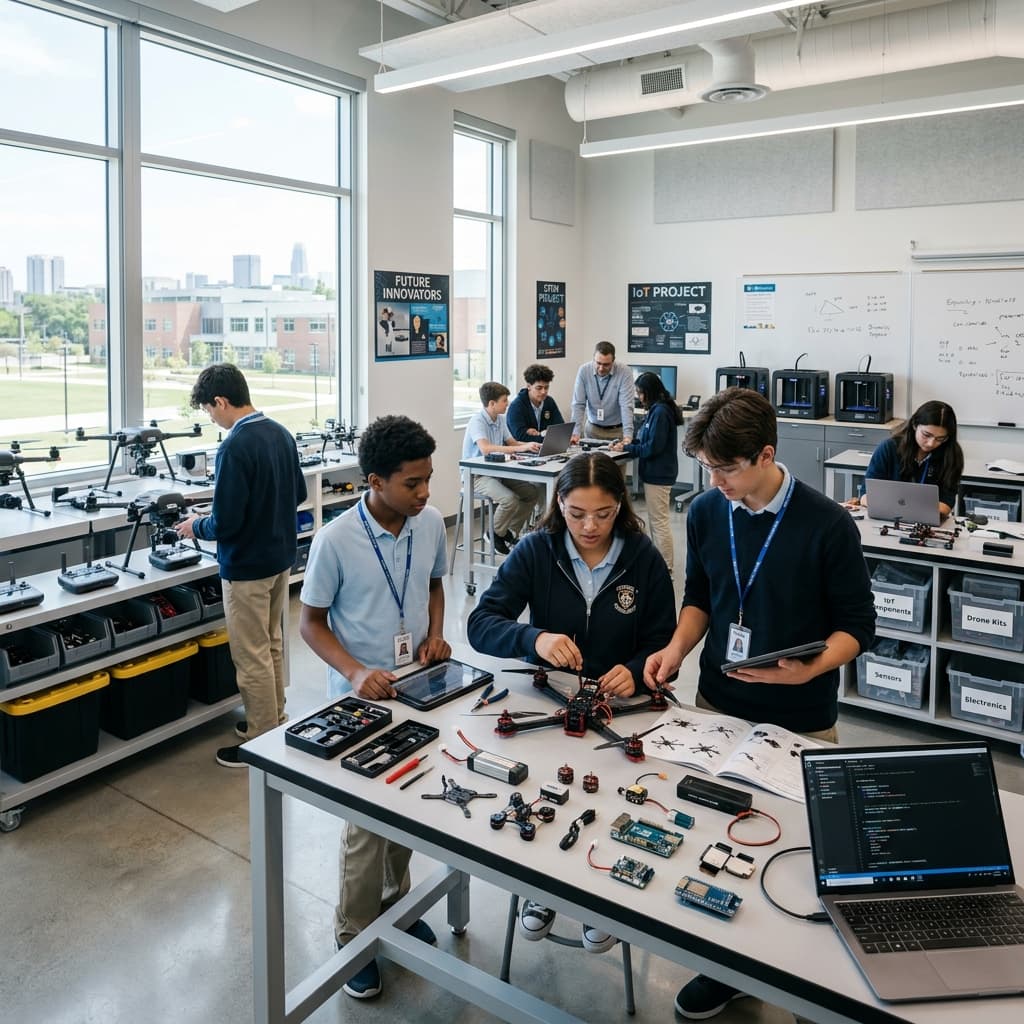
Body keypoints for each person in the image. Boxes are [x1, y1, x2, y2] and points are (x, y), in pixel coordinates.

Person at [643, 388, 875, 1021]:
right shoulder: (708, 513)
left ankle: (801, 979)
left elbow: (859, 625)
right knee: (716, 839)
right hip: (717, 703)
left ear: (766, 454)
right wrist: (676, 649)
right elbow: (701, 598)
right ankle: (727, 966)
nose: (714, 483)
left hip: (802, 717)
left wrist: (813, 669)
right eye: (707, 470)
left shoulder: (827, 523)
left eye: (725, 469)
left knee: (798, 852)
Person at [467, 451, 676, 951]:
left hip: (620, 708)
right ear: (558, 503)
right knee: (547, 796)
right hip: (552, 704)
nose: (588, 526)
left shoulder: (642, 557)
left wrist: (637, 670)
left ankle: (603, 895)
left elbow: (664, 640)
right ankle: (544, 888)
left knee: (614, 800)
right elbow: (481, 624)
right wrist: (533, 639)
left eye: (602, 515)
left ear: (620, 506)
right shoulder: (536, 551)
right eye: (576, 513)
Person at [298, 414, 450, 1000]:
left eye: (428, 479)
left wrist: (436, 633)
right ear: (375, 481)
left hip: (421, 685)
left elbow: (436, 583)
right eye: (412, 482)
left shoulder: (429, 522)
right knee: (366, 825)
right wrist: (357, 671)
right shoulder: (336, 540)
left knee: (406, 804)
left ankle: (397, 908)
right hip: (361, 700)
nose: (425, 492)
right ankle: (354, 936)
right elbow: (310, 624)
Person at [174, 363, 307, 767]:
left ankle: (262, 742)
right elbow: (298, 492)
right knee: (272, 644)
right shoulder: (280, 432)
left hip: (246, 566)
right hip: (280, 557)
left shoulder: (234, 445)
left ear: (220, 401)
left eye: (209, 410)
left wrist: (194, 525)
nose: (211, 418)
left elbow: (225, 523)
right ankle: (275, 718)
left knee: (250, 656)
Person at [611, 370, 683, 574]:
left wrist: (629, 449)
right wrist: (628, 443)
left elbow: (652, 448)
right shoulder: (655, 409)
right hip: (654, 474)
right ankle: (658, 563)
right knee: (655, 520)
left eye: (641, 393)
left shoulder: (661, 412)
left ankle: (666, 568)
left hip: (659, 475)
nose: (638, 397)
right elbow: (645, 439)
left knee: (659, 522)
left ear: (649, 392)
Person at [462, 381, 542, 554]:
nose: (507, 404)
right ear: (492, 403)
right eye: (504, 400)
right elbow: (486, 448)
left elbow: (512, 443)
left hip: (498, 472)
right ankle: (494, 534)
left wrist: (529, 445)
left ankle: (508, 532)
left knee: (531, 493)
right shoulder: (477, 421)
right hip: (477, 475)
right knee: (509, 499)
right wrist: (519, 448)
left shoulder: (500, 419)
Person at [860, 400, 963, 518]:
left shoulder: (951, 455)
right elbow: (865, 496)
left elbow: (946, 505)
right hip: (888, 518)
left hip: (928, 523)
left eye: (940, 438)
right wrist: (907, 509)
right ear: (914, 425)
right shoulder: (889, 448)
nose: (931, 443)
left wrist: (903, 507)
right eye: (926, 435)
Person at [570, 341, 634, 445]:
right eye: (598, 363)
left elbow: (626, 405)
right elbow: (578, 404)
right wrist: (575, 432)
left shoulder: (624, 372)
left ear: (613, 361)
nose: (601, 368)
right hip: (592, 430)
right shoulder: (584, 370)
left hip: (616, 432)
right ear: (593, 359)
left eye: (606, 365)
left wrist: (627, 436)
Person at [506, 363, 565, 441]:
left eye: (546, 387)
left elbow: (560, 428)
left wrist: (541, 436)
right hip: (523, 450)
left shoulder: (549, 401)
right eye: (539, 388)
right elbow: (520, 436)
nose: (543, 392)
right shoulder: (516, 406)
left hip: (548, 447)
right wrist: (545, 437)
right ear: (529, 386)